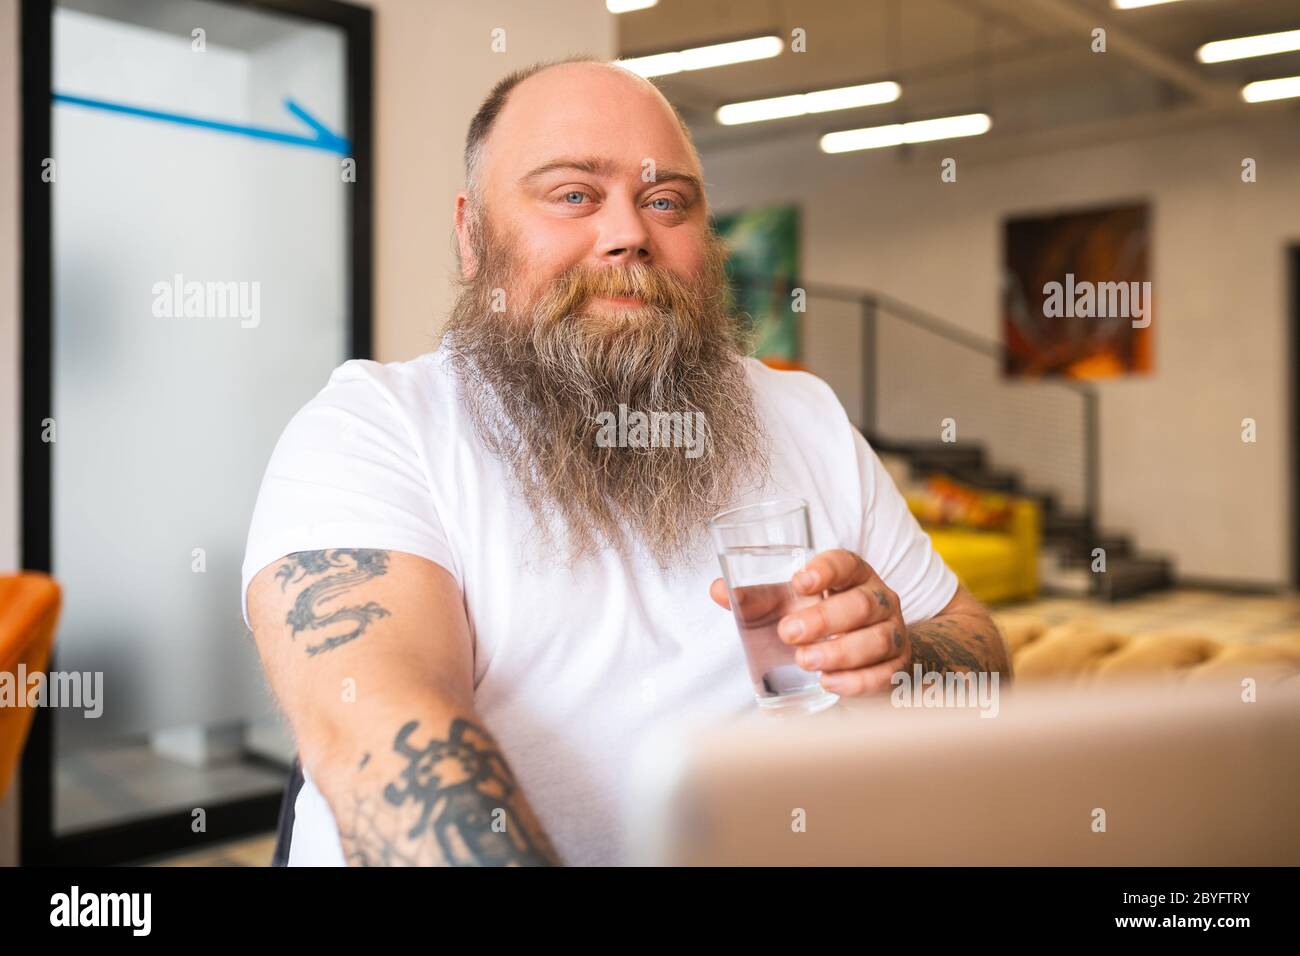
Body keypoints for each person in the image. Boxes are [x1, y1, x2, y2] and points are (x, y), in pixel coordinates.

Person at [241, 56, 1011, 867]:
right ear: (471, 234)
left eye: (666, 201)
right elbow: (391, 742)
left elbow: (980, 666)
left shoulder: (803, 414)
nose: (629, 234)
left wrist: (897, 661)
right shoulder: (371, 430)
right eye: (574, 194)